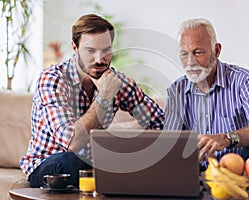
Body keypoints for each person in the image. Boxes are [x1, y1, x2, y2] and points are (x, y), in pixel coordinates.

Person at [20, 14, 165, 188]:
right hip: (49, 164)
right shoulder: (53, 80)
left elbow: (159, 122)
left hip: (93, 165)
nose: (99, 59)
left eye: (106, 50)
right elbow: (72, 143)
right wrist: (104, 96)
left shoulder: (117, 82)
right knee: (75, 162)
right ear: (75, 47)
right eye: (90, 51)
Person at [163, 18, 249, 189]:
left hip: (240, 170)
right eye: (184, 54)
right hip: (198, 175)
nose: (190, 62)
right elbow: (170, 146)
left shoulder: (244, 80)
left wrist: (227, 138)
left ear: (216, 51)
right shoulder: (176, 91)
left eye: (197, 52)